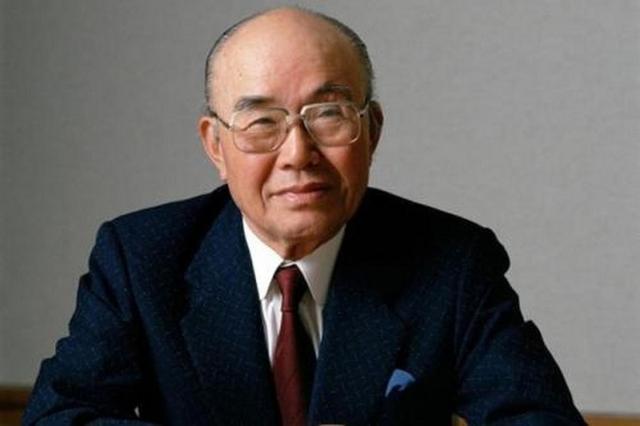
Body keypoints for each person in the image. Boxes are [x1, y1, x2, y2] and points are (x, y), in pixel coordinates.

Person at [24, 7, 585, 426]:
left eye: (328, 115)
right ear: (216, 145)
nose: (298, 153)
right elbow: (60, 417)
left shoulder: (453, 264)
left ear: (372, 131)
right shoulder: (141, 258)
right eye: (262, 122)